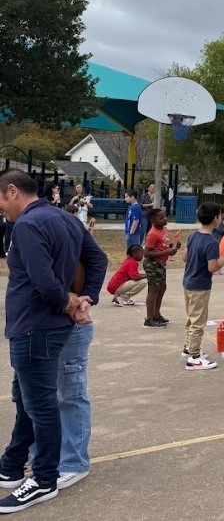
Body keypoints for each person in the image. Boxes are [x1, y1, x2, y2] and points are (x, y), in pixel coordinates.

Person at [0, 169, 107, 513]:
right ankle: (14, 462)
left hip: (35, 325)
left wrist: (71, 301)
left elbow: (43, 280)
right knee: (28, 396)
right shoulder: (65, 218)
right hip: (51, 325)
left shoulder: (28, 225)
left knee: (41, 403)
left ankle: (43, 478)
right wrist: (85, 296)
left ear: (12, 191)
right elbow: (98, 258)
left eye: (1, 200)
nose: (1, 209)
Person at [181, 202, 224, 370]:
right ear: (216, 218)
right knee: (198, 321)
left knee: (191, 317)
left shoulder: (193, 235)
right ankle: (194, 357)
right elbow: (213, 267)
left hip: (188, 282)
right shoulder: (211, 242)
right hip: (200, 286)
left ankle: (189, 347)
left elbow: (184, 258)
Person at [143, 207, 178, 328]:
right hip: (153, 264)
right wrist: (166, 252)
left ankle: (156, 315)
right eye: (161, 217)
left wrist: (172, 246)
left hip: (160, 264)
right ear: (153, 220)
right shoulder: (152, 233)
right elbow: (147, 253)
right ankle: (149, 318)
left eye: (164, 216)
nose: (165, 219)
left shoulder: (164, 229)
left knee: (162, 288)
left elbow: (161, 245)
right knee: (153, 290)